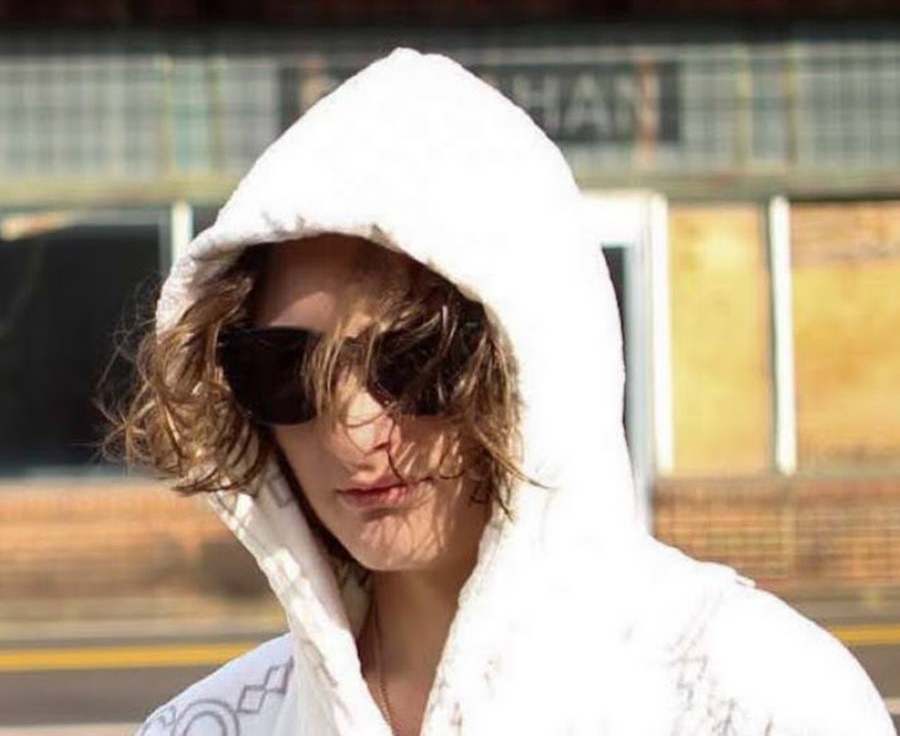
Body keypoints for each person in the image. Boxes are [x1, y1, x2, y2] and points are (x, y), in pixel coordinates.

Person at [116, 48, 892, 735]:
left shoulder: (763, 701)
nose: (352, 427)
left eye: (416, 360)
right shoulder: (206, 725)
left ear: (535, 363)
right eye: (283, 369)